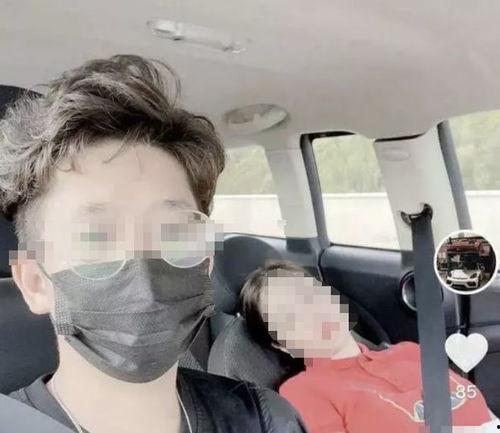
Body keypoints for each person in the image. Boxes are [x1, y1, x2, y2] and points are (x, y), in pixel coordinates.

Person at [0, 55, 307, 433]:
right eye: (96, 237)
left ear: (206, 263)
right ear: (35, 282)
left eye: (173, 231)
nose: (144, 267)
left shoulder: (267, 420)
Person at [239, 261, 498, 433]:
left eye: (311, 296)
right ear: (283, 346)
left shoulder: (409, 351)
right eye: (291, 316)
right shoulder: (303, 391)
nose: (312, 313)